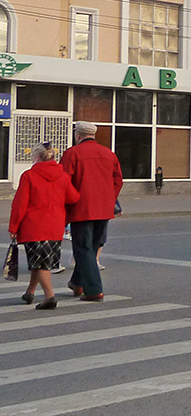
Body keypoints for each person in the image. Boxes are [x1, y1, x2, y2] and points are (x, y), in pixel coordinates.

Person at [8, 142, 80, 309]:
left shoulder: (29, 176)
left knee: (39, 263)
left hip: (34, 227)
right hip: (55, 227)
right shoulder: (62, 176)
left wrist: (13, 227)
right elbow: (73, 197)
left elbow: (20, 205)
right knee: (41, 261)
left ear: (36, 157)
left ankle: (49, 297)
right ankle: (30, 292)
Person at [60, 121, 123, 302]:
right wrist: (109, 199)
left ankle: (94, 289)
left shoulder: (72, 153)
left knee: (83, 248)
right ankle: (77, 282)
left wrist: (69, 202)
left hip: (82, 208)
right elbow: (118, 181)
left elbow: (64, 181)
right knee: (93, 246)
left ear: (78, 135)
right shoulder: (108, 154)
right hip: (104, 208)